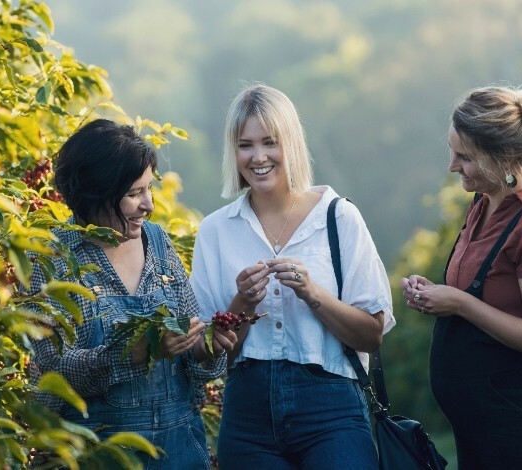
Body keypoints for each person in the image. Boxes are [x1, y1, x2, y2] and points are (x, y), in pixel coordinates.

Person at [189, 84, 395, 469]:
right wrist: (241, 305)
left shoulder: (338, 218)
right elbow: (207, 354)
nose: (258, 157)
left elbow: (372, 334)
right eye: (245, 145)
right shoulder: (215, 231)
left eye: (270, 142)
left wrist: (312, 292)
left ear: (292, 144)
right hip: (247, 412)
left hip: (331, 409)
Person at [401, 86, 522, 469]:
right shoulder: (484, 205)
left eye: (465, 157)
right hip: (485, 429)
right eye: (452, 152)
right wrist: (435, 294)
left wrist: (459, 303)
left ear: (503, 158)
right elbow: (488, 294)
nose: (452, 166)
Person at [27, 119, 237, 469]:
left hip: (178, 452)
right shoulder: (52, 258)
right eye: (133, 193)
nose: (148, 204)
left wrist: (204, 348)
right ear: (96, 192)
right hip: (92, 455)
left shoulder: (158, 242)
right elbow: (51, 369)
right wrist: (134, 353)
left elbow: (193, 365)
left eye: (149, 189)